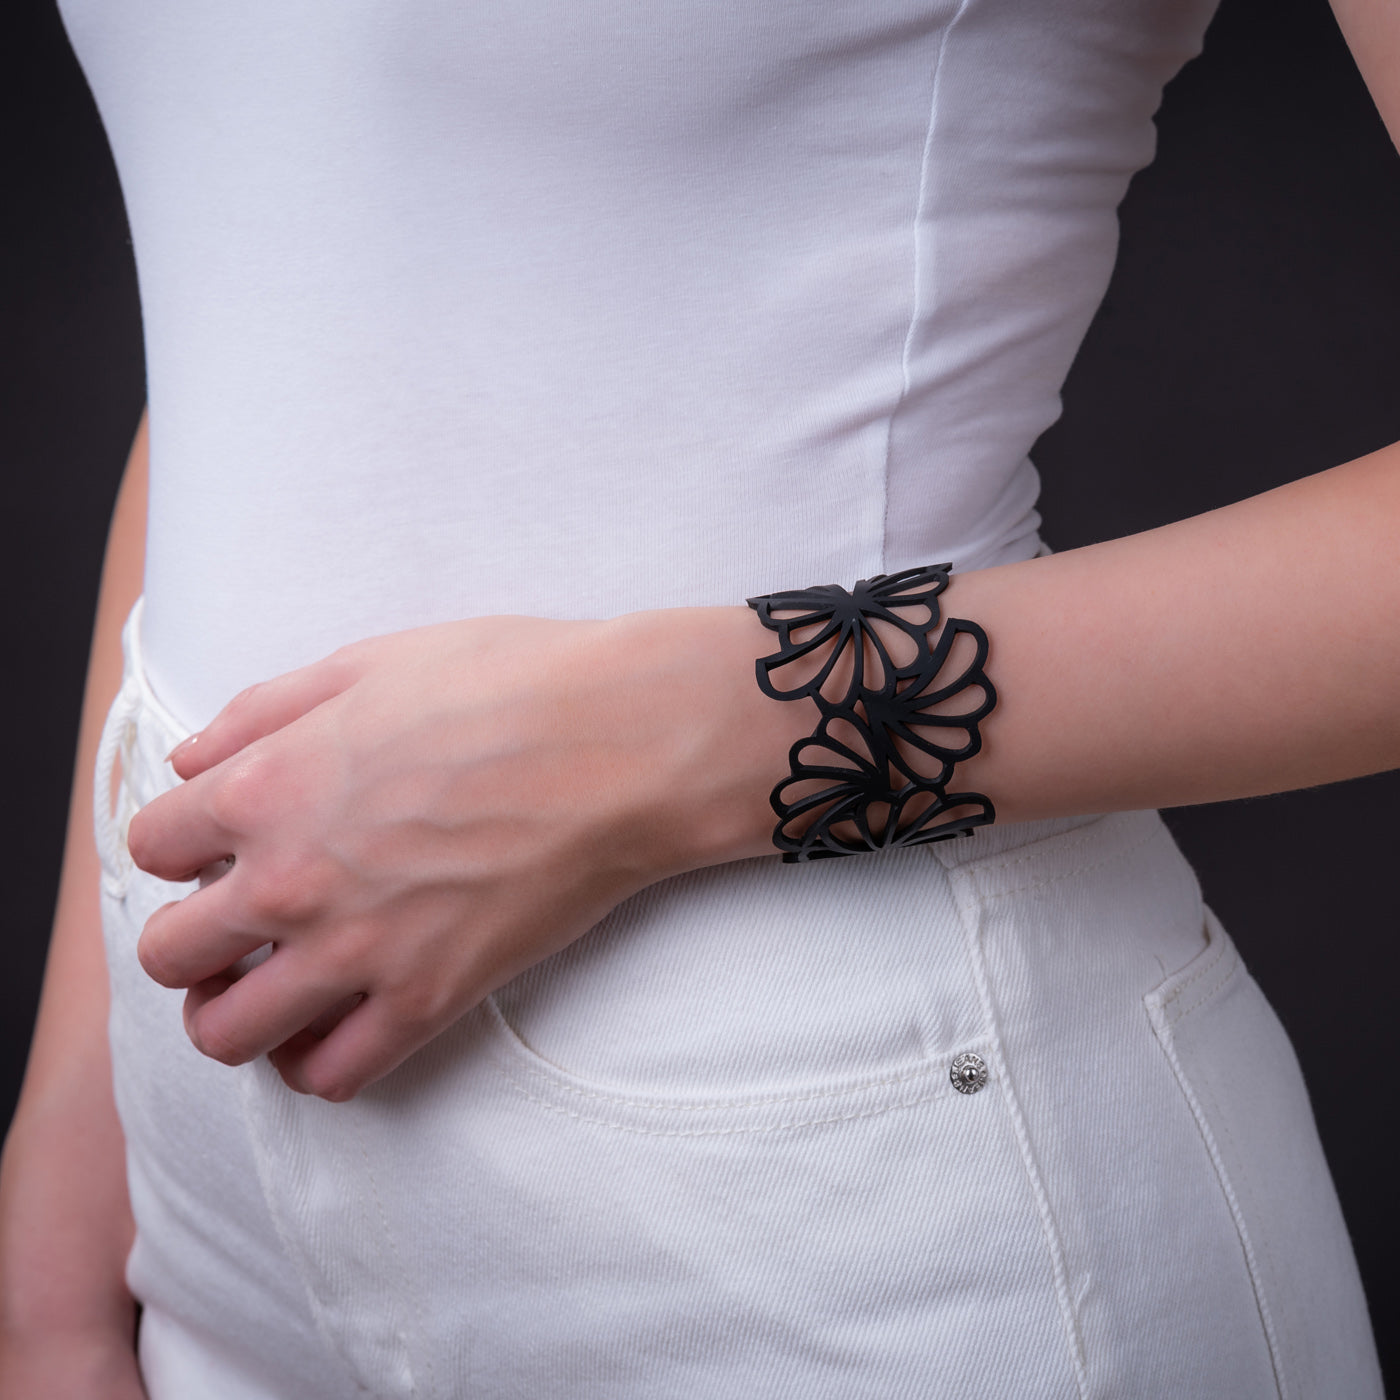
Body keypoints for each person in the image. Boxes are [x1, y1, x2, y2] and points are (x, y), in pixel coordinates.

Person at [0, 0, 1393, 1395]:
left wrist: (675, 742)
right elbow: (290, 305)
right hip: (203, 1192)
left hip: (861, 1215)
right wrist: (74, 1132)